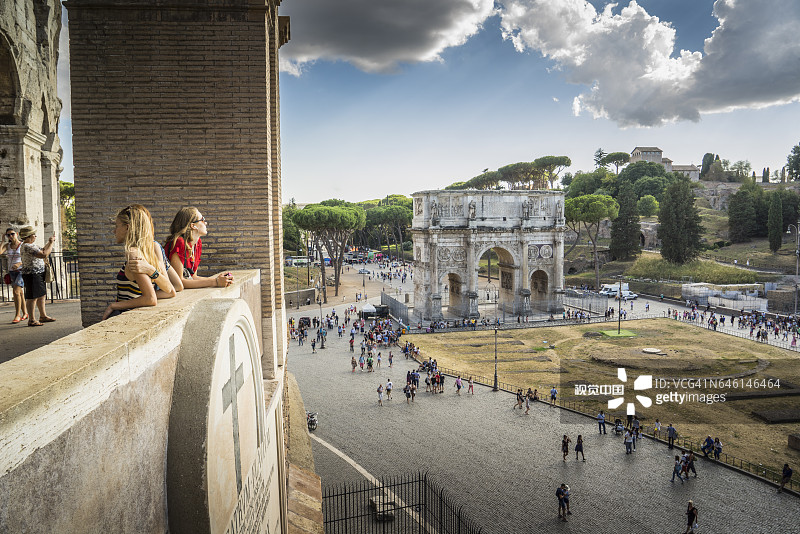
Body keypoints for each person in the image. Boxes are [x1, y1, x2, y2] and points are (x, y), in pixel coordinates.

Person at [102, 206, 177, 320]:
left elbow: (150, 299)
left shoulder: (133, 254)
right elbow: (170, 292)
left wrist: (114, 305)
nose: (114, 231)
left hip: (125, 316)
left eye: (116, 226)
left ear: (127, 227)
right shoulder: (148, 252)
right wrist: (151, 270)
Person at [164, 207, 233, 289]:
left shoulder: (197, 243)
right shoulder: (179, 243)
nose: (206, 223)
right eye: (202, 219)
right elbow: (179, 282)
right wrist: (215, 282)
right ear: (193, 226)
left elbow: (192, 277)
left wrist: (220, 280)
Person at [18, 226, 56, 326]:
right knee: (32, 297)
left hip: (37, 273)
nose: (35, 236)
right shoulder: (27, 246)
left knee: (41, 294)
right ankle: (32, 319)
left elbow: (42, 249)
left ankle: (43, 316)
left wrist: (49, 241)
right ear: (29, 236)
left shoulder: (31, 245)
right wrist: (51, 243)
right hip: (32, 274)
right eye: (34, 235)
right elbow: (44, 254)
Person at [1, 228, 26, 323]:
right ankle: (25, 313)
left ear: (17, 234)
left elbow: (28, 257)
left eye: (12, 234)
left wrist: (19, 263)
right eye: (8, 235)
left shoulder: (23, 245)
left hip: (21, 271)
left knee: (16, 292)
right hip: (12, 272)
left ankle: (17, 315)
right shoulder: (7, 246)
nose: (10, 236)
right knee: (20, 293)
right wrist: (2, 241)